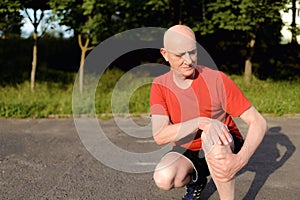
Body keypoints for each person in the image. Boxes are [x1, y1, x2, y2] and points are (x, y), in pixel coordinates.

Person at [150, 24, 267, 200]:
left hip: (224, 142)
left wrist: (240, 159)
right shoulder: (159, 85)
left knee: (211, 137)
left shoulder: (216, 79)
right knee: (164, 177)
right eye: (180, 55)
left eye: (192, 52)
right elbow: (160, 135)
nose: (188, 60)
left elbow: (258, 121)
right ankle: (197, 181)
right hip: (188, 148)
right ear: (165, 54)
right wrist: (200, 121)